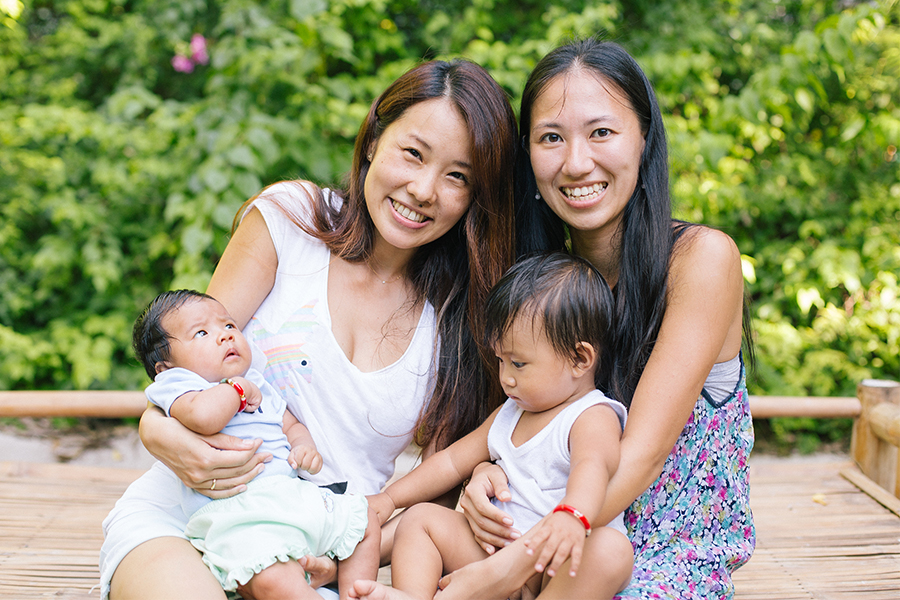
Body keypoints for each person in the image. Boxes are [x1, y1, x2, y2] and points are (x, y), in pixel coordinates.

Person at [99, 58, 518, 600]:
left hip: (315, 559)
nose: (423, 189)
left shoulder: (461, 322)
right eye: (412, 153)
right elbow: (189, 360)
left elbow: (427, 500)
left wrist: (343, 554)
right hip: (185, 522)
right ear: (372, 140)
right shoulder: (289, 220)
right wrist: (153, 430)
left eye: (457, 176)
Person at [446, 39, 755, 600]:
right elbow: (522, 415)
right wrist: (486, 475)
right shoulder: (538, 283)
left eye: (602, 132)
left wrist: (509, 568)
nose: (576, 162)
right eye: (551, 138)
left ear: (644, 137)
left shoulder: (701, 260)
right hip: (542, 533)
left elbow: (643, 452)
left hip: (663, 552)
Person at [350, 252, 633, 600]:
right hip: (490, 557)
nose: (506, 379)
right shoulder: (511, 413)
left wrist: (572, 515)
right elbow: (452, 461)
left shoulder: (591, 414)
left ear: (579, 359)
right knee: (420, 520)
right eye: (501, 361)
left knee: (611, 551)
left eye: (518, 363)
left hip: (556, 563)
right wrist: (390, 499)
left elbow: (594, 466)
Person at [130, 289, 379, 599]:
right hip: (241, 514)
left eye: (230, 326)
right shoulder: (180, 386)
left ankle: (356, 593)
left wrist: (303, 447)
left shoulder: (257, 382)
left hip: (291, 496)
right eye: (202, 332)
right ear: (166, 368)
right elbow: (204, 417)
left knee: (364, 520)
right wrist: (238, 389)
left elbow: (290, 424)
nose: (225, 336)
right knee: (273, 575)